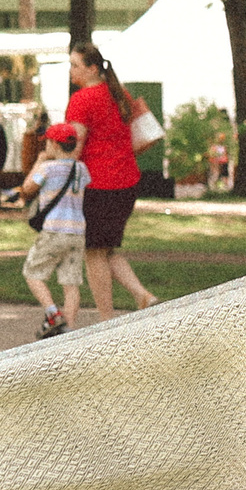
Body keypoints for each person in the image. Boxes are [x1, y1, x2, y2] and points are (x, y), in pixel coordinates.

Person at [61, 42, 156, 319]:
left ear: (91, 69)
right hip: (126, 182)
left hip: (98, 185)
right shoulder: (119, 94)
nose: (71, 71)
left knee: (93, 253)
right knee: (107, 249)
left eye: (75, 65)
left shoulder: (81, 100)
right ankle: (142, 295)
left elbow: (73, 148)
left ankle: (106, 319)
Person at [21, 123, 89, 339]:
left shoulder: (48, 168)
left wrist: (39, 161)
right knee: (71, 283)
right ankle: (67, 332)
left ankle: (52, 313)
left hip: (54, 230)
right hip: (77, 232)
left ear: (53, 144)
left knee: (32, 273)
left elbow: (27, 189)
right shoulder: (81, 169)